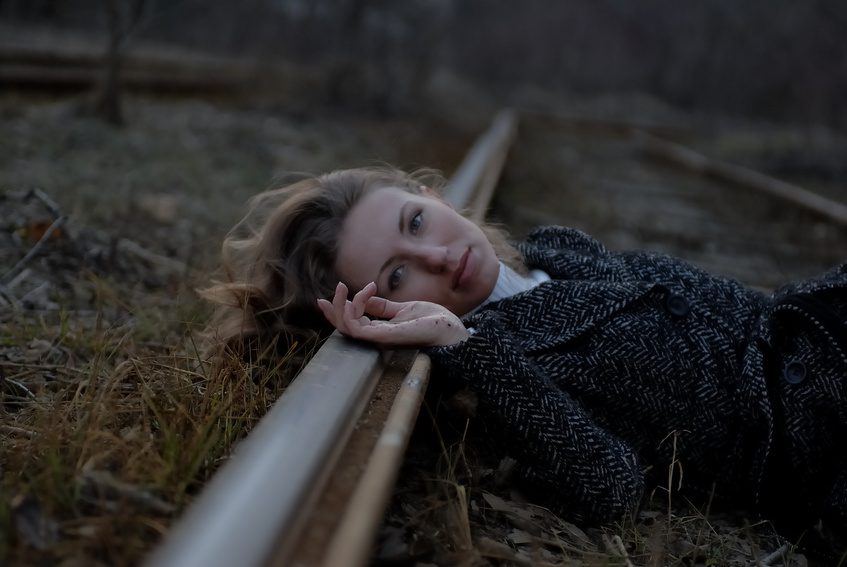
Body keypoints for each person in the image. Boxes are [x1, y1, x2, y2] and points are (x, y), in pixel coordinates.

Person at [203, 166, 847, 548]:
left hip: (819, 326)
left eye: (417, 222)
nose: (434, 256)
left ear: (434, 195)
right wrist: (463, 345)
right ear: (386, 313)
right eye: (397, 277)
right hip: (819, 436)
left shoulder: (555, 252)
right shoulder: (497, 366)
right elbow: (611, 484)